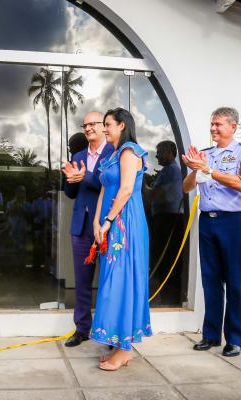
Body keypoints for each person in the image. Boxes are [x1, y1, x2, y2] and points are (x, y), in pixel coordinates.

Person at [182, 107, 241, 357]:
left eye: (218, 125)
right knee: (210, 281)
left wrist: (209, 170)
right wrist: (195, 169)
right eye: (212, 124)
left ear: (233, 126)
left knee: (234, 281)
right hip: (208, 221)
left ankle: (234, 338)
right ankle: (210, 335)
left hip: (233, 222)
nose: (213, 128)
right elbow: (186, 187)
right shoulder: (205, 154)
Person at [90, 108, 151, 370]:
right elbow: (104, 189)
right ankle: (116, 343)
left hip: (125, 223)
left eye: (108, 124)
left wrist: (108, 220)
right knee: (110, 279)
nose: (105, 129)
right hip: (109, 225)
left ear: (122, 125)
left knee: (122, 280)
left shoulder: (129, 151)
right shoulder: (112, 154)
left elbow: (126, 189)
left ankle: (124, 349)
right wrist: (96, 221)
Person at [61, 111, 113, 347]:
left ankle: (111, 332)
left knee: (110, 281)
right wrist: (70, 179)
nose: (88, 128)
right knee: (82, 281)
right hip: (80, 227)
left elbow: (106, 185)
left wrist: (84, 177)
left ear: (104, 127)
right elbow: (71, 193)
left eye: (93, 123)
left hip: (107, 227)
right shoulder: (78, 155)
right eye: (85, 125)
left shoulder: (115, 152)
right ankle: (82, 329)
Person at [149, 140, 184, 304]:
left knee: (163, 258)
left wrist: (140, 184)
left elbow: (156, 194)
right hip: (165, 217)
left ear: (169, 152)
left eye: (159, 151)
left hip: (168, 219)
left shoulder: (171, 171)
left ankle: (167, 297)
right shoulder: (168, 170)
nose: (156, 155)